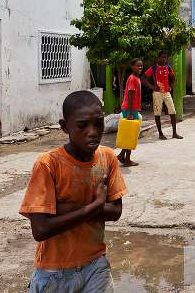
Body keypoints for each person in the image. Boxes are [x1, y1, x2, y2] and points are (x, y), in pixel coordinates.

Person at [20, 91, 127, 293]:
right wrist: (95, 206)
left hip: (95, 265)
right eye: (82, 125)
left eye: (98, 123)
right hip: (54, 272)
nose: (93, 132)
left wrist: (64, 208)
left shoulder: (107, 158)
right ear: (64, 126)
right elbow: (41, 229)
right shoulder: (48, 164)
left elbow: (115, 211)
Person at [142, 51, 183, 140]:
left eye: (165, 57)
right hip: (157, 93)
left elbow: (173, 77)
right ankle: (160, 134)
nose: (164, 59)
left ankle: (174, 133)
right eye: (162, 57)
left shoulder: (168, 67)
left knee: (173, 111)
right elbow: (144, 77)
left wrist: (170, 86)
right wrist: (152, 86)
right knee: (157, 113)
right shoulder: (153, 68)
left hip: (166, 92)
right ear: (158, 58)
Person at [118, 58, 143, 167]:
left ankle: (121, 155)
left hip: (132, 109)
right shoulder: (133, 78)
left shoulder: (135, 78)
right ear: (132, 66)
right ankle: (127, 159)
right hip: (130, 109)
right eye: (138, 65)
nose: (140, 67)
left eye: (141, 66)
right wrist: (131, 113)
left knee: (130, 133)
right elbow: (131, 95)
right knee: (131, 134)